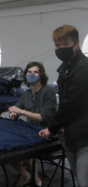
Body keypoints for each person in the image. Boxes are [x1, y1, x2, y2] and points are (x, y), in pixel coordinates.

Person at [39, 25, 88, 187]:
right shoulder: (66, 68)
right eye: (57, 45)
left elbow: (70, 104)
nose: (60, 49)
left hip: (84, 136)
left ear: (76, 44)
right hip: (72, 135)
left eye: (65, 44)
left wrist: (52, 128)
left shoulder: (83, 68)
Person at [8, 62, 57, 187]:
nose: (32, 74)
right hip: (31, 130)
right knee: (7, 147)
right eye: (29, 72)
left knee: (25, 150)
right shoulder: (26, 94)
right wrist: (13, 113)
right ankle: (24, 174)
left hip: (47, 132)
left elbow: (44, 116)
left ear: (41, 75)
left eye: (35, 72)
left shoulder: (48, 92)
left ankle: (36, 181)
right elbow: (16, 109)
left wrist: (21, 111)